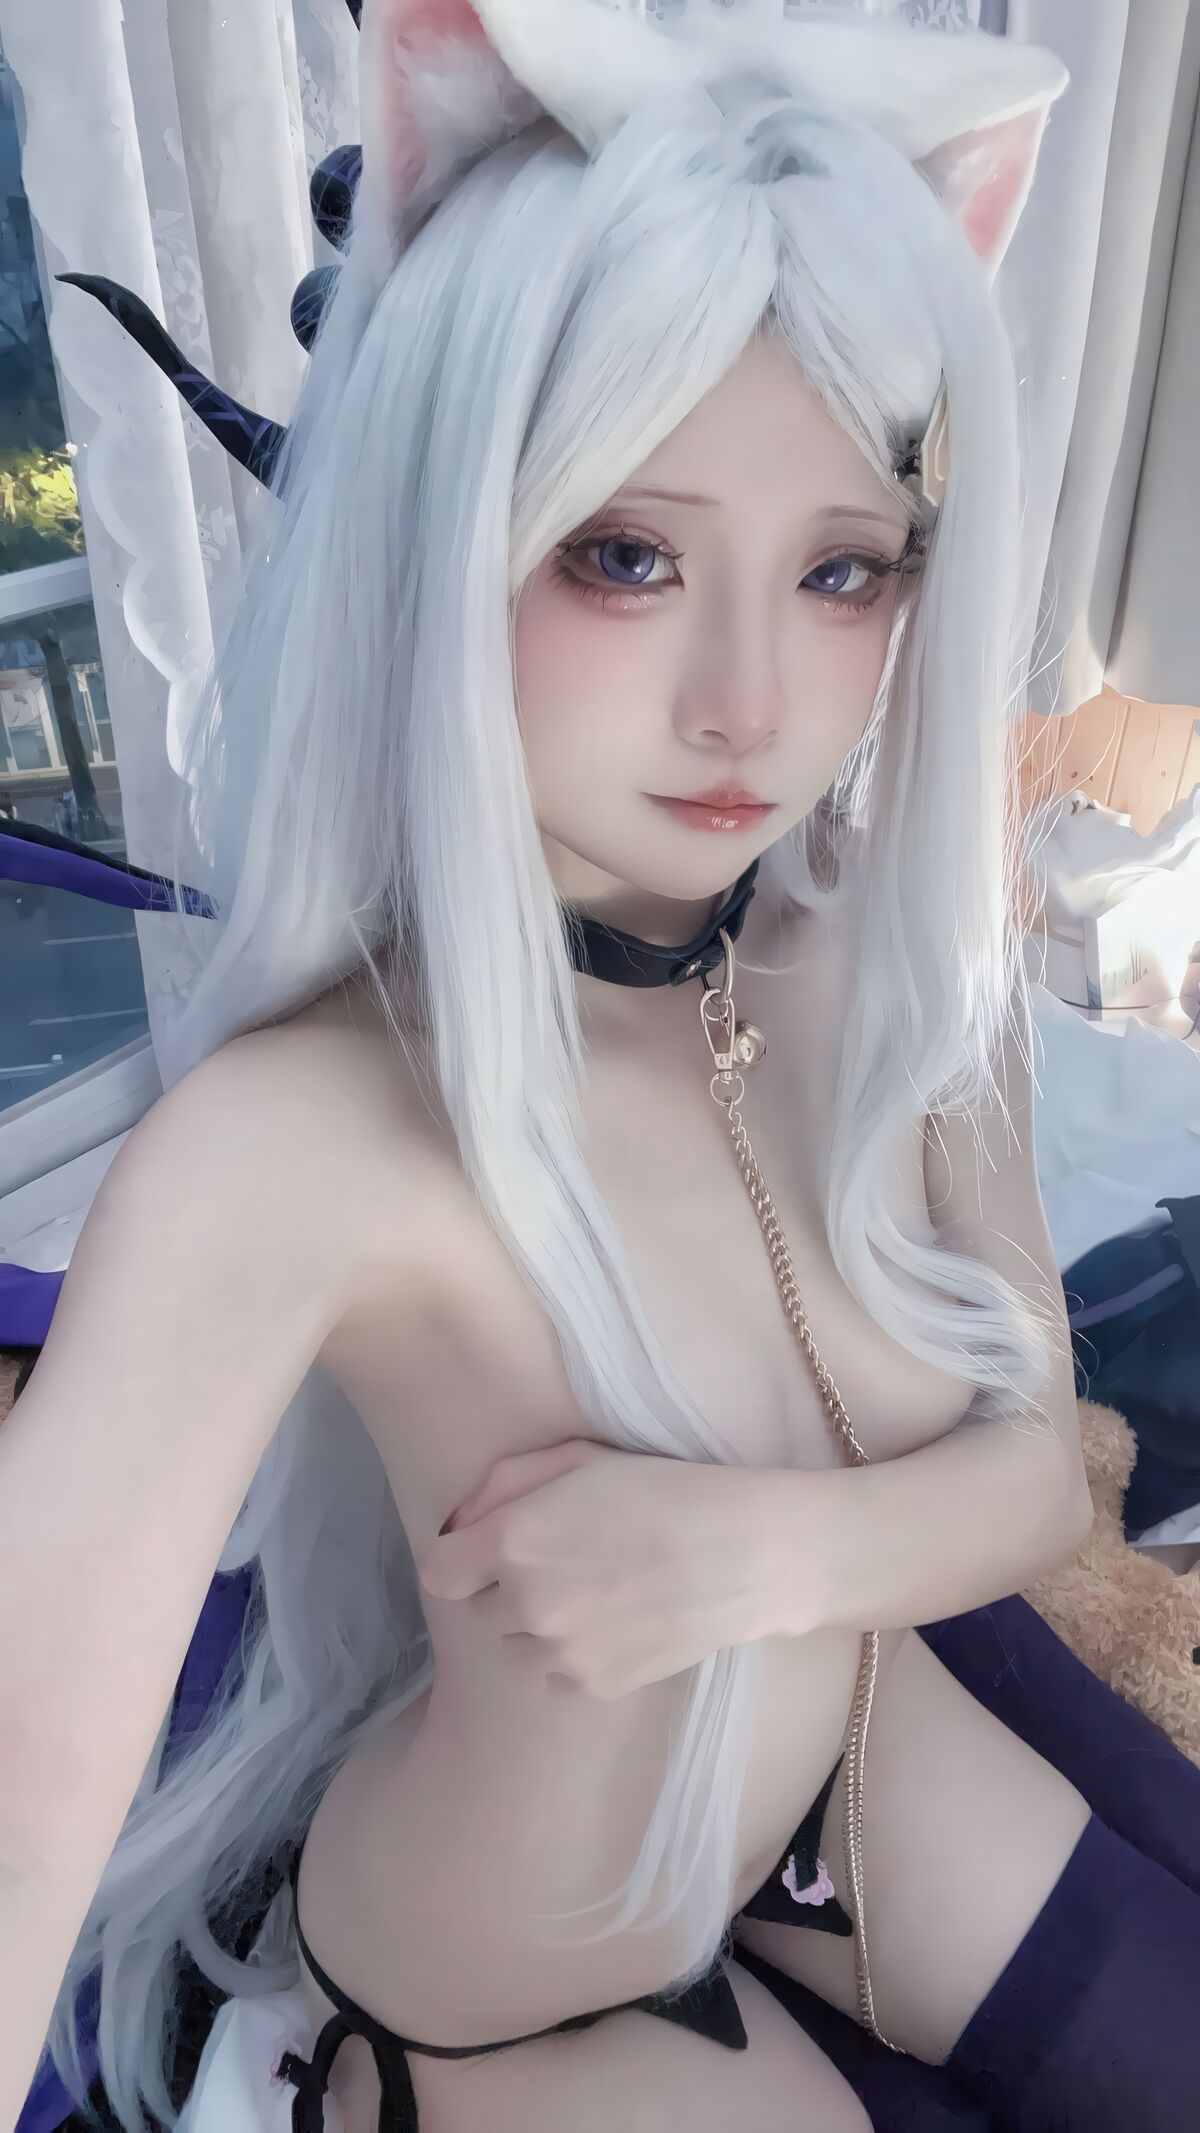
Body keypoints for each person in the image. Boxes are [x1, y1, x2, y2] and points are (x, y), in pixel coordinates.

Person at [5, 4, 1200, 2129]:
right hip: (509, 1993)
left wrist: (744, 1556)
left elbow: (1041, 1468)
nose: (749, 699)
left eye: (843, 569)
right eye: (625, 555)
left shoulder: (897, 964)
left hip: (851, 1760)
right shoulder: (297, 1141)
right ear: (444, 527)